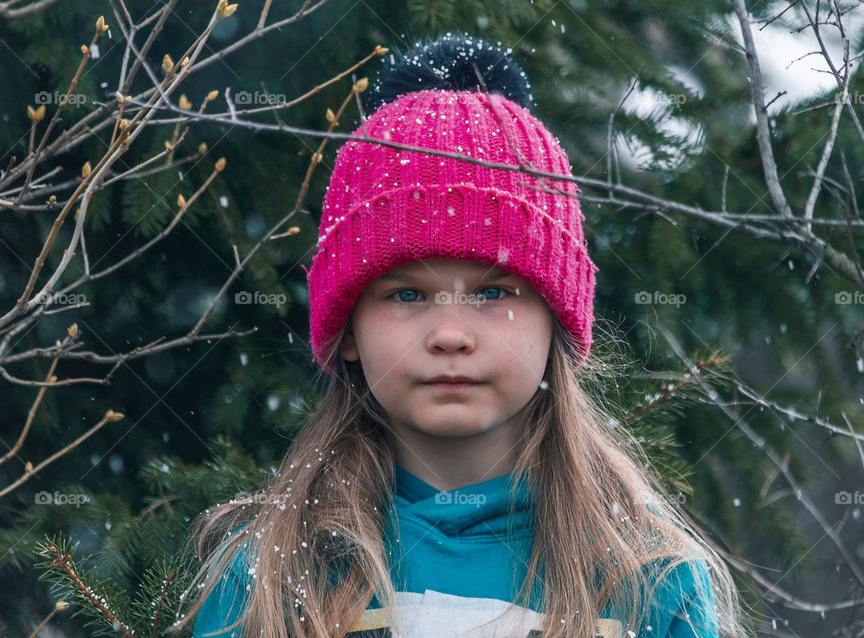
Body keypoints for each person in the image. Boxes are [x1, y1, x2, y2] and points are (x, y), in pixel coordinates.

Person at [177, 32, 752, 638]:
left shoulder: (646, 580)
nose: (450, 333)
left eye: (493, 293)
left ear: (555, 321)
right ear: (349, 329)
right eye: (407, 295)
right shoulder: (269, 574)